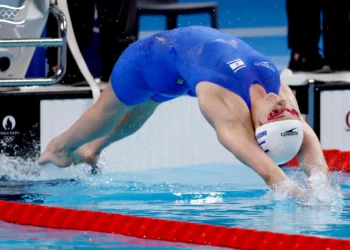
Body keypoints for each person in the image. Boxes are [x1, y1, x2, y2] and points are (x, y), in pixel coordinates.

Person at [38, 26, 329, 200]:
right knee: (119, 111)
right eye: (289, 112)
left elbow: (270, 175)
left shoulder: (225, 108)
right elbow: (307, 138)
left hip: (158, 65)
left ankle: (64, 149)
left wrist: (301, 197)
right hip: (154, 57)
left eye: (278, 114)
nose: (282, 105)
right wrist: (320, 185)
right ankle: (60, 149)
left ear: (258, 126)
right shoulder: (279, 93)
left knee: (124, 113)